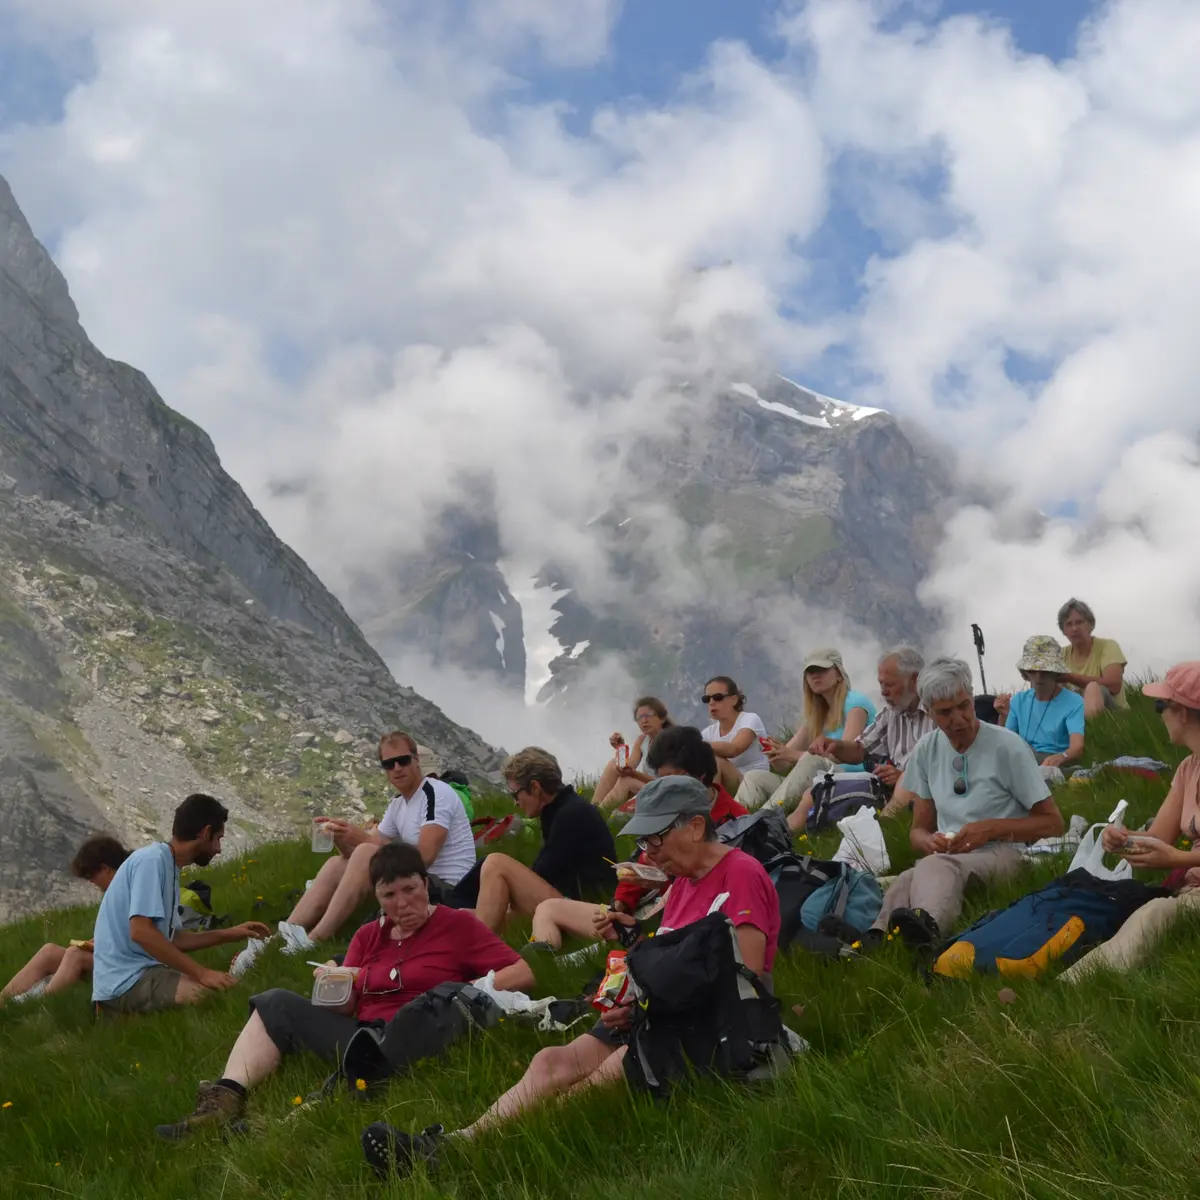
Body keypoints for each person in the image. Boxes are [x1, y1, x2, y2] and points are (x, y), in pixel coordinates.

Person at [361, 774, 780, 1177]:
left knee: (606, 1073)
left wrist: (647, 1003)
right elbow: (672, 957)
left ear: (694, 826)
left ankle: (491, 1156)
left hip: (715, 1023)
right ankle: (455, 1142)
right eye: (643, 840)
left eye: (656, 838)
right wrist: (631, 968)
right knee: (551, 1061)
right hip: (659, 1012)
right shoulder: (685, 882)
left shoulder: (740, 874)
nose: (649, 852)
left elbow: (745, 972)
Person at [155, 842, 535, 1138]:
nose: (402, 903)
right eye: (389, 896)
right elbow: (344, 1007)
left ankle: (296, 1117)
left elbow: (521, 972)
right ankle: (225, 1097)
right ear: (378, 898)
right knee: (275, 1001)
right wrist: (334, 982)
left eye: (410, 889)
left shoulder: (457, 926)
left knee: (391, 1031)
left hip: (420, 1027)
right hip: (361, 1031)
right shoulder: (370, 934)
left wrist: (458, 990)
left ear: (426, 884)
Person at [852, 657, 1064, 951]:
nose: (959, 718)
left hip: (1007, 853)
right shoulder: (927, 749)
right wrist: (929, 841)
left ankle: (930, 932)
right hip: (950, 856)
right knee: (905, 879)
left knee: (936, 866)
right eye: (945, 712)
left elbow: (1053, 823)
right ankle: (875, 939)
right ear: (929, 713)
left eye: (964, 705)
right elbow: (918, 831)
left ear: (972, 697)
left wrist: (989, 830)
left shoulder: (1008, 746)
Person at [529, 725, 748, 949]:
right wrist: (620, 904)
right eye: (659, 780)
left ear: (698, 776)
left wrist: (663, 883)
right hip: (642, 914)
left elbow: (710, 888)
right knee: (548, 908)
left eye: (672, 781)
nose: (664, 789)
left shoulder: (738, 823)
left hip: (680, 921)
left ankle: (581, 957)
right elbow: (642, 863)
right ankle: (544, 962)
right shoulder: (663, 815)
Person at [273, 733, 475, 957]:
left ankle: (315, 939)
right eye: (389, 764)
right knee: (335, 863)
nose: (397, 768)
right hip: (416, 882)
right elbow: (362, 856)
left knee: (367, 850)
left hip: (448, 889)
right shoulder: (398, 804)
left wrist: (361, 839)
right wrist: (342, 838)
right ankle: (286, 933)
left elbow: (424, 858)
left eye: (403, 760)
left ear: (416, 760)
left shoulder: (435, 793)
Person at [1060, 663, 1200, 982]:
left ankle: (1081, 985)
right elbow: (1159, 838)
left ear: (1182, 712)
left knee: (1155, 913)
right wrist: (1123, 839)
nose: (1158, 712)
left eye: (1161, 705)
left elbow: (1170, 853)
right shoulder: (1187, 769)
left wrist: (1179, 858)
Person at [90, 794, 270, 1015]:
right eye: (218, 838)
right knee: (217, 996)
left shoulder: (167, 864)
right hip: (126, 981)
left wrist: (231, 933)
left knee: (225, 991)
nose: (218, 849)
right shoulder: (151, 861)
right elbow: (141, 932)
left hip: (136, 974)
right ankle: (115, 1013)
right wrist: (201, 973)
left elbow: (170, 939)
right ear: (204, 833)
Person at [459, 747, 617, 934]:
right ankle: (479, 943)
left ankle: (477, 951)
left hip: (589, 911)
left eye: (515, 794)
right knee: (465, 916)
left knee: (495, 864)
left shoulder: (570, 815)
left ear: (535, 787)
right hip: (573, 903)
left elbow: (542, 874)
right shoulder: (561, 810)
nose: (515, 802)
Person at [737, 649, 876, 812]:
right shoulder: (817, 715)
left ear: (839, 674)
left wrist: (792, 755)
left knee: (812, 760)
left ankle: (763, 819)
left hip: (853, 779)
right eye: (810, 672)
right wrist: (775, 753)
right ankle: (730, 822)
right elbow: (784, 764)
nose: (815, 675)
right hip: (823, 779)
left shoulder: (855, 703)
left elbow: (848, 755)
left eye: (822, 670)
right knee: (754, 777)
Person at [0, 836, 130, 1005]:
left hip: (126, 965)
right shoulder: (116, 890)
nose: (92, 882)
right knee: (49, 952)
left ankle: (38, 1004)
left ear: (106, 868)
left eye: (92, 876)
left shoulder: (131, 887)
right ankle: (3, 1001)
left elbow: (137, 934)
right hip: (110, 958)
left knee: (75, 955)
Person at [809, 646, 935, 813]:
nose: (883, 691)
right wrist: (835, 745)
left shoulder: (937, 712)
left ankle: (881, 828)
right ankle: (777, 830)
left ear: (915, 680)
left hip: (925, 791)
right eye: (881, 683)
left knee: (906, 781)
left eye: (889, 684)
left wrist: (901, 776)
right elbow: (860, 750)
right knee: (816, 791)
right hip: (891, 791)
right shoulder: (890, 714)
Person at [994, 636, 1085, 778]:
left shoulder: (1073, 702)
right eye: (1032, 671)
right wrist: (1003, 716)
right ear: (1025, 673)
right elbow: (1006, 742)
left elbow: (1077, 747)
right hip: (1024, 756)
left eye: (1045, 671)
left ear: (1056, 672)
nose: (1038, 677)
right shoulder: (1018, 701)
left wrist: (1061, 757)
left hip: (1055, 761)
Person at [591, 696, 673, 812]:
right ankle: (593, 807)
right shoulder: (643, 740)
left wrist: (633, 773)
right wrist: (620, 748)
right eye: (639, 717)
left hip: (666, 791)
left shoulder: (670, 740)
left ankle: (597, 815)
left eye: (648, 715)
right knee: (613, 764)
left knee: (626, 781)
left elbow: (667, 782)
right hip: (650, 787)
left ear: (662, 718)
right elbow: (629, 765)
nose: (644, 721)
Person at [1057, 598, 1128, 716]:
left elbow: (1114, 685)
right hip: (1073, 712)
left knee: (1093, 688)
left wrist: (1070, 677)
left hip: (1113, 714)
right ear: (1064, 630)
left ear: (1091, 625)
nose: (1074, 628)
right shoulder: (1060, 654)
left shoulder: (1108, 646)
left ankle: (1091, 731)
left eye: (1079, 622)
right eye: (1069, 624)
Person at [700, 675, 770, 793]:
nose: (711, 702)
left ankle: (712, 808)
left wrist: (697, 745)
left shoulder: (750, 719)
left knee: (716, 761)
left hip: (755, 783)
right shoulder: (708, 732)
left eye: (717, 697)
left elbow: (734, 749)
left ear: (734, 699)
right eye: (707, 699)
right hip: (731, 784)